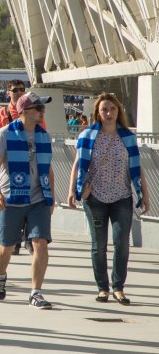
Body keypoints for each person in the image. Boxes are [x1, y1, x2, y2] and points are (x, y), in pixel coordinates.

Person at [67, 93, 150, 305]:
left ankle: (118, 287)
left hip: (122, 197)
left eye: (112, 109)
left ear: (118, 112)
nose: (109, 113)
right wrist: (71, 191)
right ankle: (102, 288)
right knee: (99, 244)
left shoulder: (128, 138)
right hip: (95, 198)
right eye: (104, 110)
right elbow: (77, 164)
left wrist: (145, 196)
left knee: (122, 243)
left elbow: (138, 168)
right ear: (97, 113)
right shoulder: (87, 135)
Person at [0, 91, 56, 309]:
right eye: (39, 108)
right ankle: (0, 276)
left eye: (42, 108)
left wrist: (52, 196)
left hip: (38, 199)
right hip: (12, 198)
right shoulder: (5, 133)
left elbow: (49, 168)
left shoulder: (43, 135)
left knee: (40, 243)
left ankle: (36, 293)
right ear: (24, 111)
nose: (42, 111)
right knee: (6, 246)